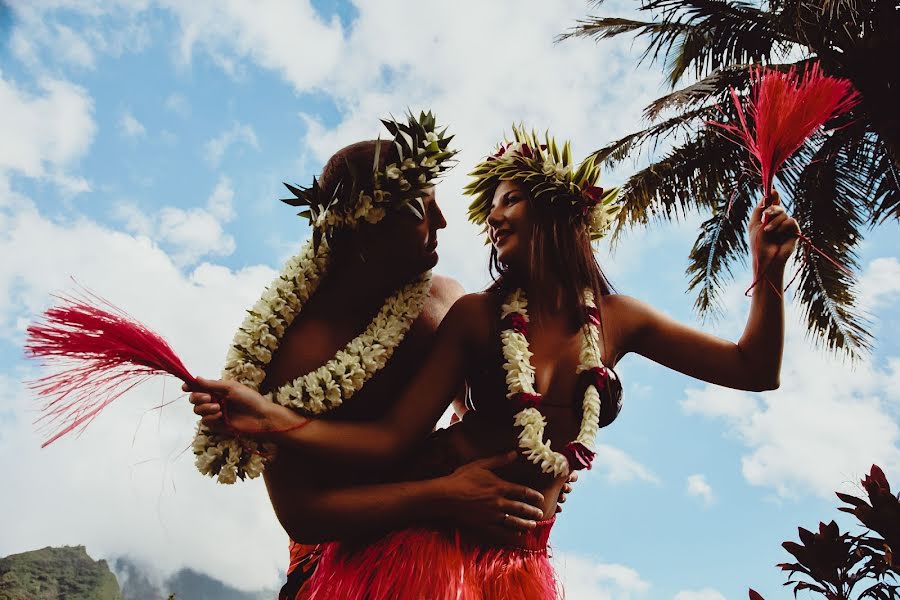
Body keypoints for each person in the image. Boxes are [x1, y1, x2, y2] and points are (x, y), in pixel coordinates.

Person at [189, 127, 799, 599]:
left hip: (519, 560)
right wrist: (273, 419)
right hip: (427, 545)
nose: (481, 219)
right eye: (488, 207)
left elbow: (754, 370)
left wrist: (766, 272)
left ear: (559, 210)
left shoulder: (616, 319)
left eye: (507, 199)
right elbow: (387, 442)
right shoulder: (474, 316)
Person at [187, 114, 552, 599]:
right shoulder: (291, 352)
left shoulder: (446, 302)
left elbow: (482, 408)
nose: (443, 221)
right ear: (370, 231)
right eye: (424, 208)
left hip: (457, 551)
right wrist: (444, 496)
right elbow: (303, 513)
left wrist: (536, 467)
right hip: (336, 566)